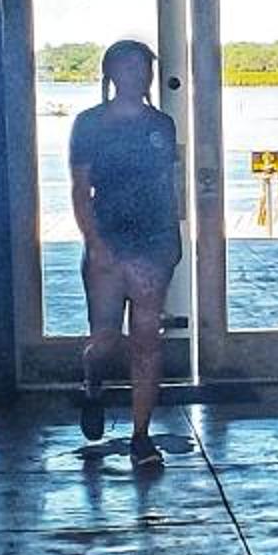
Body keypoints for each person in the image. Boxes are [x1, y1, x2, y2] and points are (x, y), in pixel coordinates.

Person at [69, 40, 181, 467]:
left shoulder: (162, 124)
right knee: (105, 339)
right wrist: (97, 245)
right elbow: (81, 190)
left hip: (153, 240)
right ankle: (92, 381)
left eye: (144, 67)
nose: (139, 75)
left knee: (147, 338)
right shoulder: (89, 124)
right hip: (108, 237)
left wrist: (168, 248)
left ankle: (141, 436)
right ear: (112, 73)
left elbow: (168, 186)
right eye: (129, 67)